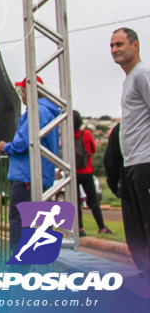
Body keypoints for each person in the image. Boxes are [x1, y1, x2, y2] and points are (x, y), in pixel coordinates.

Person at [0, 75, 60, 254]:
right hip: (41, 175)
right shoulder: (48, 111)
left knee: (20, 221)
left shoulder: (36, 112)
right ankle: (41, 265)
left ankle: (20, 268)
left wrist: (5, 147)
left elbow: (23, 143)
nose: (21, 96)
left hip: (27, 176)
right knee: (41, 223)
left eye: (22, 91)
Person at [111, 27, 150, 279]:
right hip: (133, 162)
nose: (115, 50)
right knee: (137, 229)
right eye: (112, 46)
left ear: (135, 46)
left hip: (146, 161)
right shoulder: (129, 79)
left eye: (120, 44)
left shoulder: (142, 75)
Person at [72, 109, 110, 237]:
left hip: (74, 173)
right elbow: (93, 150)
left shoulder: (69, 136)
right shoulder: (86, 134)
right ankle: (102, 227)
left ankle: (80, 229)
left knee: (76, 202)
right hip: (87, 171)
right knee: (93, 201)